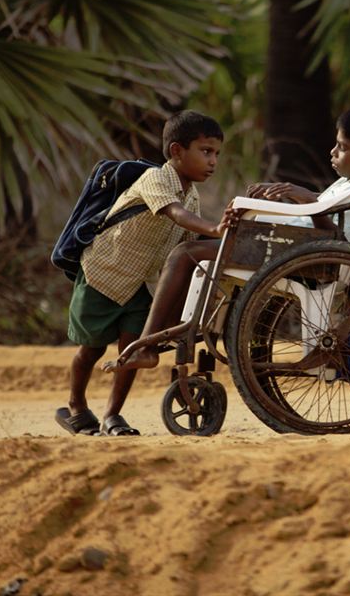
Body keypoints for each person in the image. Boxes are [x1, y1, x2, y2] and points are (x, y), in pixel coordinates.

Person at [102, 103, 350, 374]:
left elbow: (334, 232)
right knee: (199, 253)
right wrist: (297, 195)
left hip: (305, 254)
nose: (333, 152)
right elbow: (338, 210)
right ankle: (179, 328)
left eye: (341, 147)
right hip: (301, 249)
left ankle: (150, 343)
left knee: (185, 253)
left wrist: (301, 199)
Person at [55, 110, 232, 437]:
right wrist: (215, 227)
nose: (213, 162)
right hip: (102, 275)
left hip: (139, 284)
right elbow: (174, 214)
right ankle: (76, 405)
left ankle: (112, 416)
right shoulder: (155, 180)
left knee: (133, 348)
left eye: (217, 154)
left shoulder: (191, 194)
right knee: (90, 348)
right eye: (206, 151)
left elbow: (190, 242)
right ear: (177, 151)